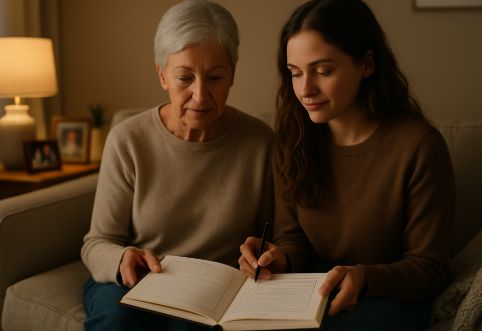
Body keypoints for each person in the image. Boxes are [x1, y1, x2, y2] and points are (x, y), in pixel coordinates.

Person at [238, 0, 455, 330]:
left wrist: (364, 278)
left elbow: (431, 266)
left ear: (366, 64)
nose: (305, 89)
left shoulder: (419, 145)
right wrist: (279, 257)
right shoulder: (293, 140)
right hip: (317, 288)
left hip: (388, 297)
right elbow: (293, 239)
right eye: (295, 73)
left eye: (323, 71)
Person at [81, 1, 274, 330]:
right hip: (141, 280)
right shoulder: (128, 140)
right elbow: (97, 242)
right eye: (185, 78)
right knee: (115, 321)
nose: (200, 96)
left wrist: (265, 255)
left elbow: (277, 237)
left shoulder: (260, 141)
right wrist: (122, 259)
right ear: (162, 75)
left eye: (215, 78)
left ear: (232, 75)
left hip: (215, 288)